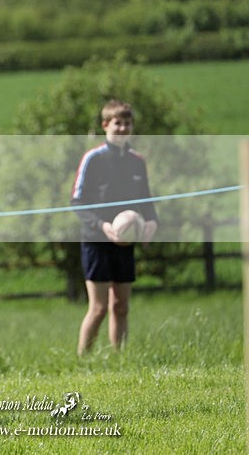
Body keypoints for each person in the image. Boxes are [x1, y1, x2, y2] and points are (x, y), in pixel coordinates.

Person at [71, 100, 158, 355]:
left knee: (121, 305)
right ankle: (82, 360)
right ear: (105, 125)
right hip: (96, 241)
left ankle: (119, 359)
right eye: (117, 123)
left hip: (125, 242)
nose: (123, 128)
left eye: (127, 123)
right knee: (98, 308)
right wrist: (103, 226)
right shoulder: (93, 159)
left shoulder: (136, 161)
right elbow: (76, 201)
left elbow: (146, 199)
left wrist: (151, 221)